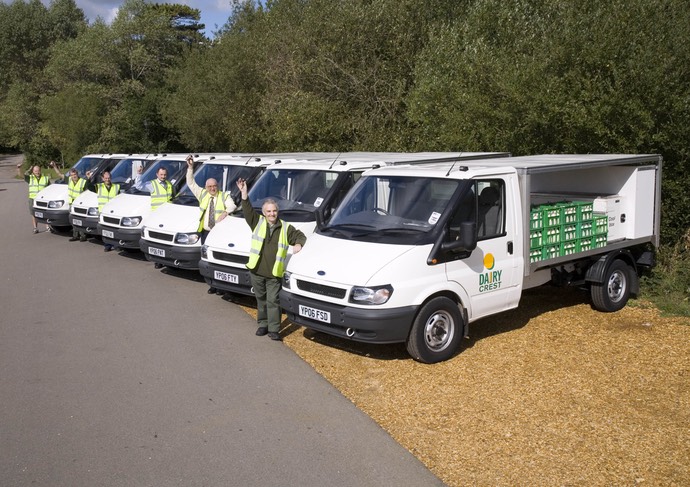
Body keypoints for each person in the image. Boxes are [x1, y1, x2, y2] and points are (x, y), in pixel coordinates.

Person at [237, 177, 306, 341]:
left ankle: (274, 329)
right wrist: (244, 193)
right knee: (261, 300)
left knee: (273, 301)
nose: (271, 214)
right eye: (268, 211)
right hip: (256, 270)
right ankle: (263, 325)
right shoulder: (257, 222)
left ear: (277, 211)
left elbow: (300, 236)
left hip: (274, 274)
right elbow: (247, 210)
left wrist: (298, 244)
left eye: (274, 211)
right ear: (264, 212)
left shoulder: (285, 227)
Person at [184, 155, 235, 285]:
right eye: (210, 186)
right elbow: (190, 183)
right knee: (206, 258)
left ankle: (219, 283)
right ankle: (210, 282)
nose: (212, 188)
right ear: (206, 187)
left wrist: (225, 213)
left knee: (218, 260)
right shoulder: (203, 194)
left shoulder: (223, 195)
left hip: (218, 233)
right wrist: (190, 168)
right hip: (205, 232)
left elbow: (232, 205)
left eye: (214, 186)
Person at [55, 166, 91, 242]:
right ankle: (75, 235)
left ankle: (83, 236)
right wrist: (54, 166)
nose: (73, 176)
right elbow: (59, 174)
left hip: (79, 205)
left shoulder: (83, 181)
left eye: (75, 174)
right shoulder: (69, 180)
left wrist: (88, 178)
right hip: (72, 204)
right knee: (73, 220)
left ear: (77, 174)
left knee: (80, 220)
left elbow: (89, 188)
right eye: (72, 175)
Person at [19, 162, 51, 234]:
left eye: (38, 170)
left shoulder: (45, 178)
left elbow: (50, 188)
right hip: (33, 199)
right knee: (34, 214)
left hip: (43, 199)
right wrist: (19, 168)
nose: (37, 172)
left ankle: (48, 227)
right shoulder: (30, 178)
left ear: (40, 170)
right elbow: (21, 175)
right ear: (33, 171)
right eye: (35, 171)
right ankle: (35, 228)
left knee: (45, 213)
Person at [96, 171, 120, 252]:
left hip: (113, 212)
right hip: (103, 212)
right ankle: (107, 245)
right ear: (102, 178)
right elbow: (89, 187)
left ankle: (116, 244)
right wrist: (89, 179)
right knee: (105, 230)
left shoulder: (116, 187)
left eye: (109, 178)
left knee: (114, 230)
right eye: (106, 178)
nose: (107, 179)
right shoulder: (98, 187)